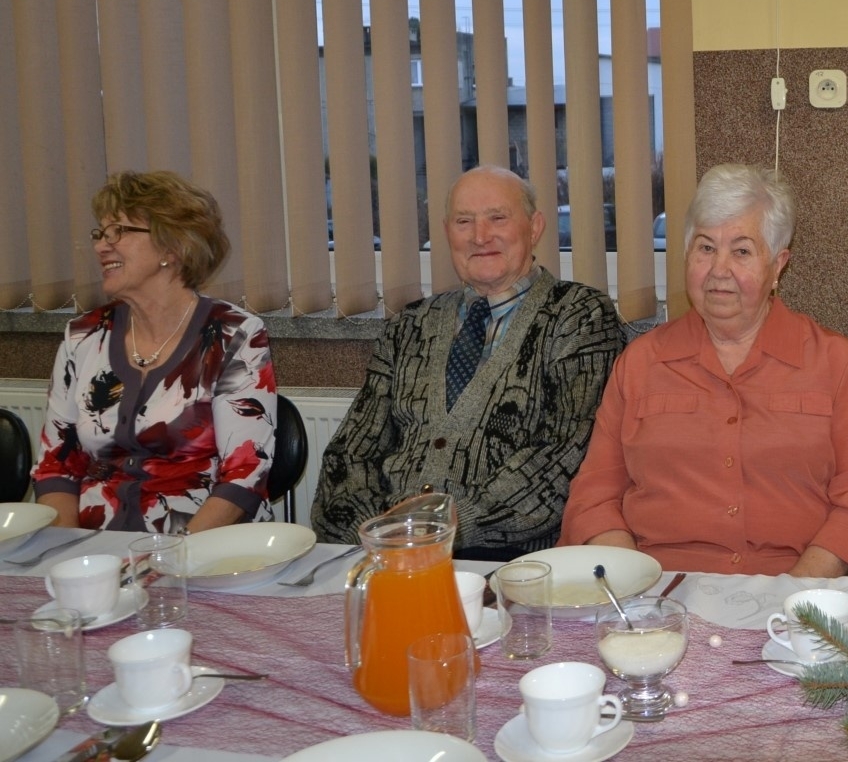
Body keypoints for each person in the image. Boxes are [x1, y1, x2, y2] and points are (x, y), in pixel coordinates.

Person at [561, 164, 848, 578]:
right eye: (705, 248)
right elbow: (595, 495)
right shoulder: (639, 365)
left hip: (796, 595)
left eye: (741, 251)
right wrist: (634, 584)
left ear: (777, 266)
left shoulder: (836, 364)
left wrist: (791, 597)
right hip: (661, 593)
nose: (719, 270)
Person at [310, 167, 624, 559]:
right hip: (383, 550)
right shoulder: (409, 325)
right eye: (464, 221)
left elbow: (568, 453)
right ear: (446, 232)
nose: (480, 236)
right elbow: (351, 450)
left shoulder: (578, 316)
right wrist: (375, 533)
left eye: (498, 218)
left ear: (535, 226)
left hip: (505, 558)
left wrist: (444, 527)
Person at [32, 171, 276, 533]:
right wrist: (66, 553)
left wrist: (173, 562)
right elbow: (56, 465)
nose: (101, 245)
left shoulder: (234, 335)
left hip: (202, 542)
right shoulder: (82, 337)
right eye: (100, 233)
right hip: (94, 541)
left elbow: (244, 474)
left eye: (119, 231)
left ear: (172, 247)